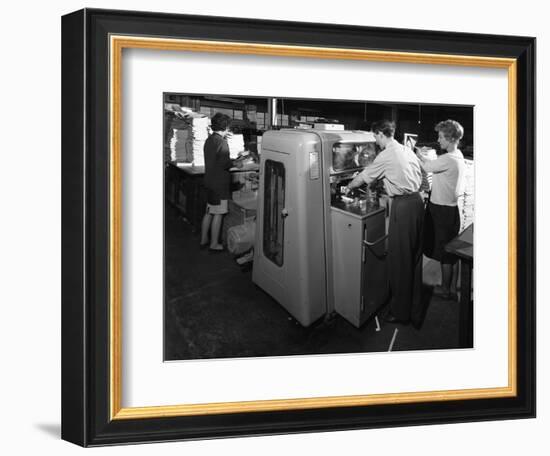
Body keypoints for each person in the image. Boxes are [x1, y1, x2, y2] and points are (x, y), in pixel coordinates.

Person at [346, 120, 424, 325]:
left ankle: (400, 313)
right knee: (414, 260)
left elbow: (365, 176)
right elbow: (418, 175)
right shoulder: (406, 149)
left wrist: (348, 187)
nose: (375, 141)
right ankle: (414, 310)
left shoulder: (387, 153)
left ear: (381, 134)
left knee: (399, 261)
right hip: (417, 203)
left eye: (375, 137)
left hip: (404, 207)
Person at [418, 119, 466, 299]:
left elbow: (426, 167)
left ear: (450, 138)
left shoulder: (447, 159)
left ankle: (446, 291)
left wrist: (413, 154)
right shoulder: (457, 155)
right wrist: (422, 157)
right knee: (450, 250)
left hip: (441, 211)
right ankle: (452, 287)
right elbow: (431, 165)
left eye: (440, 137)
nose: (438, 140)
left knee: (444, 252)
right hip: (451, 210)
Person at [200, 113, 242, 252]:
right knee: (218, 213)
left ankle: (203, 239)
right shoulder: (222, 142)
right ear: (226, 127)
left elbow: (216, 159)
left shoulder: (209, 140)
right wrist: (238, 162)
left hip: (209, 181)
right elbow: (225, 164)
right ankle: (214, 244)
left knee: (209, 211)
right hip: (219, 184)